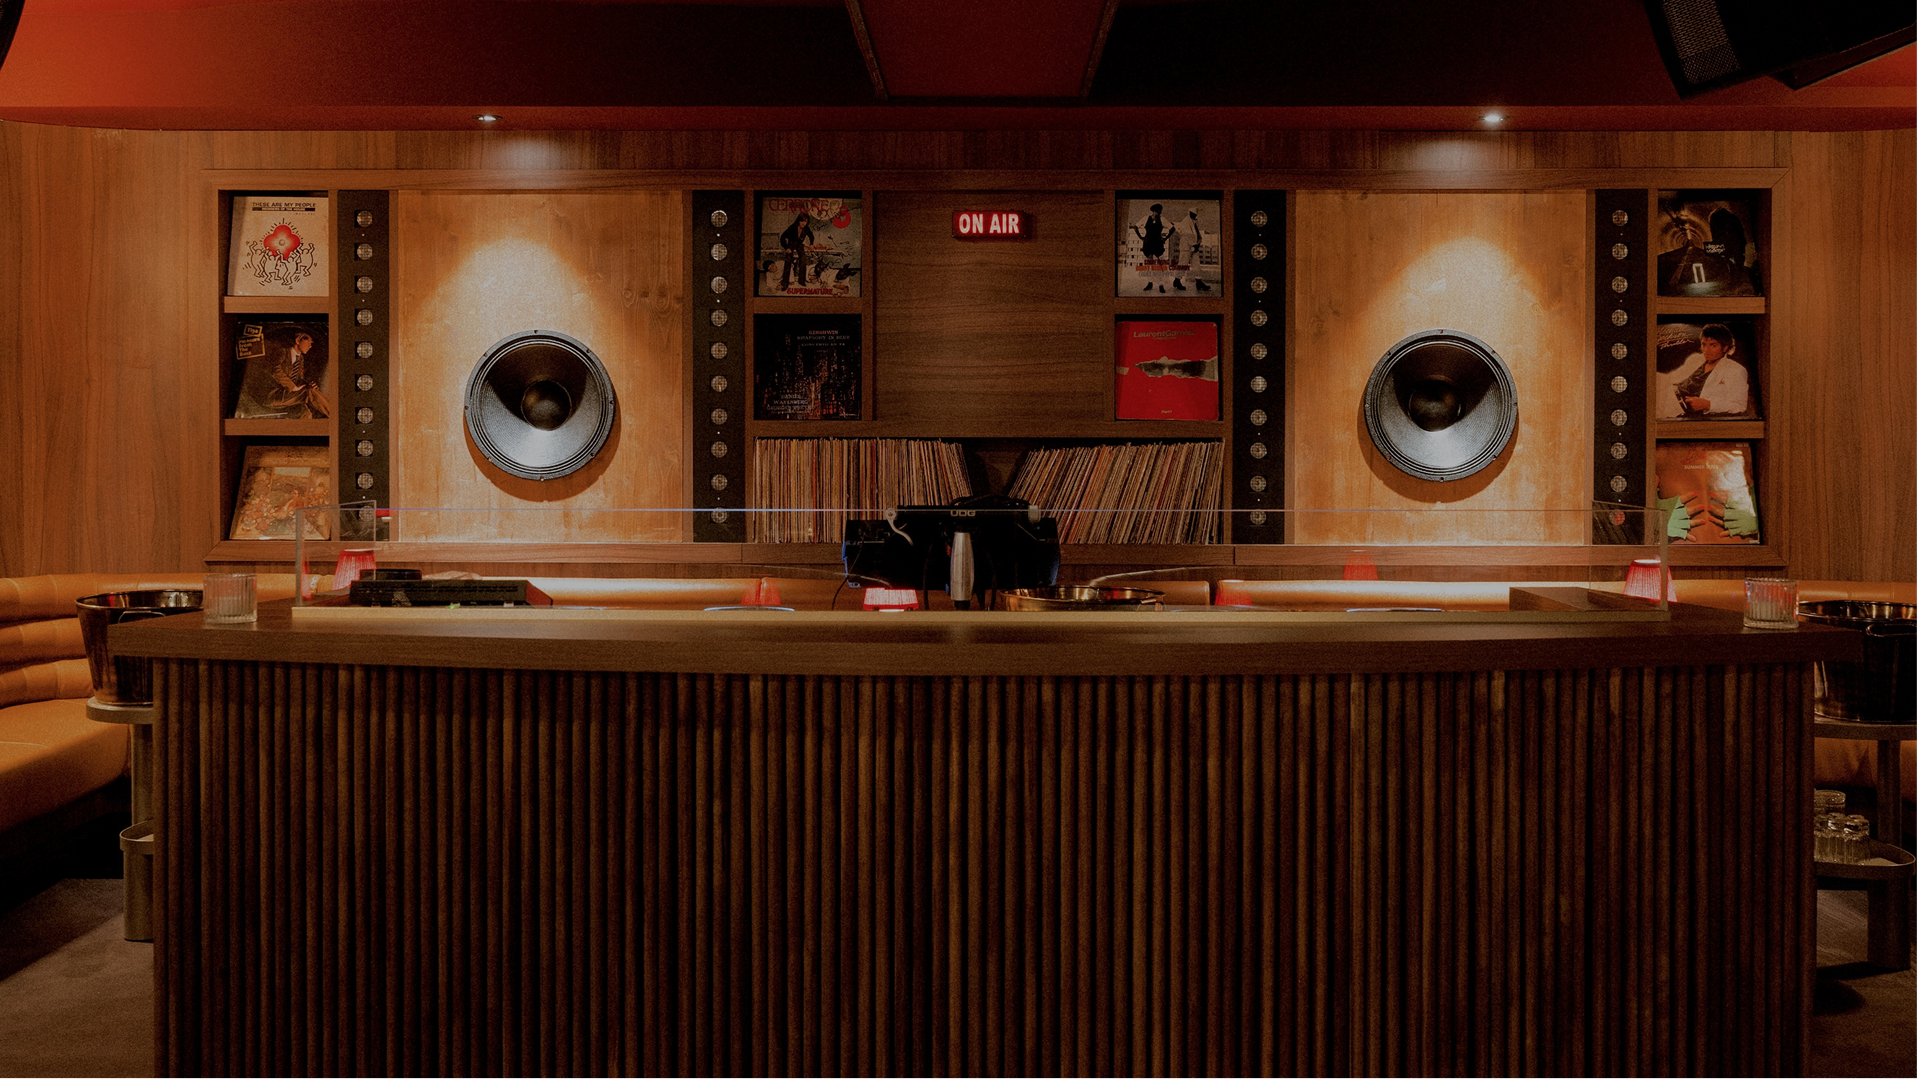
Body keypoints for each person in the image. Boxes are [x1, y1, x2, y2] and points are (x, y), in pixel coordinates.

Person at [1658, 323, 1749, 418]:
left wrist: (1708, 405)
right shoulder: (1696, 358)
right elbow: (1672, 378)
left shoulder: (1735, 370)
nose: (1706, 350)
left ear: (1725, 347)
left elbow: (1739, 406)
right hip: (1667, 402)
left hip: (1687, 416)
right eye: (1703, 344)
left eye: (1713, 345)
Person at [1168, 208, 1212, 292]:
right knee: (1183, 264)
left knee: (1196, 264)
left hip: (1194, 247)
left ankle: (1199, 281)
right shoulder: (1186, 221)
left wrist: (1197, 243)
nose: (1195, 215)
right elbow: (1187, 234)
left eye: (1196, 214)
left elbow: (1195, 234)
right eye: (1194, 214)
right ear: (1190, 213)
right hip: (1186, 247)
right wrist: (1194, 244)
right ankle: (1177, 280)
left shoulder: (1193, 222)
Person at [1130, 204, 1169, 292]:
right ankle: (1150, 283)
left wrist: (1165, 238)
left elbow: (1172, 228)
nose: (1159, 213)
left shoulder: (1162, 219)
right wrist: (1141, 237)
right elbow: (1135, 227)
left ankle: (1161, 285)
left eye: (1160, 212)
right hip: (1148, 244)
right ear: (1153, 212)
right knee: (1149, 265)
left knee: (1158, 265)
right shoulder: (1145, 218)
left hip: (1158, 245)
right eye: (1157, 212)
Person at [778, 210, 814, 292]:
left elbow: (811, 236)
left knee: (803, 260)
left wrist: (811, 244)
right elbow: (783, 237)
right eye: (802, 221)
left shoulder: (806, 228)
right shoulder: (793, 227)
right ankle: (785, 283)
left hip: (800, 245)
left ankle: (801, 281)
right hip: (791, 244)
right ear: (798, 221)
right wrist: (786, 247)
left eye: (805, 221)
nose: (803, 223)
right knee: (788, 261)